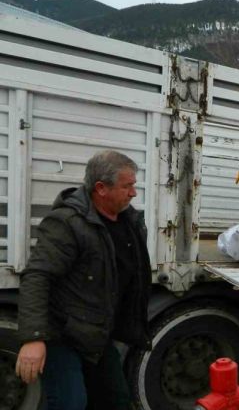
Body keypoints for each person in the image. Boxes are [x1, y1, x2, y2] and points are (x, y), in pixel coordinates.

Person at [16, 150, 152, 410]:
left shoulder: (129, 220)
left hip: (97, 334)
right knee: (70, 404)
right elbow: (37, 276)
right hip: (63, 335)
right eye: (128, 186)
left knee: (116, 401)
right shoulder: (67, 223)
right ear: (101, 188)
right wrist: (33, 338)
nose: (134, 193)